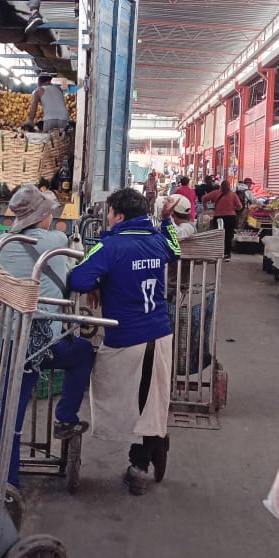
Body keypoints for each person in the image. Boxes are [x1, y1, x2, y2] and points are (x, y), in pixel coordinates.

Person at [68, 187, 180, 495]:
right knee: (148, 401)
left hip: (125, 337)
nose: (106, 218)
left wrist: (100, 282)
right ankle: (149, 450)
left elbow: (77, 279)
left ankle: (139, 465)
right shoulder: (157, 240)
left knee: (119, 395)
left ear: (118, 215)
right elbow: (176, 251)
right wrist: (167, 221)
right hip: (159, 333)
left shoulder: (111, 247)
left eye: (109, 213)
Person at [0, 185, 95, 488]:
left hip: (4, 340)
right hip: (41, 345)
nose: (52, 216)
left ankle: (6, 482)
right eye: (49, 212)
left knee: (9, 418)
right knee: (83, 351)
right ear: (41, 216)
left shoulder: (3, 243)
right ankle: (65, 416)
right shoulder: (56, 241)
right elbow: (76, 270)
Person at [202, 180, 242, 259]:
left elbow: (204, 198)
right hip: (231, 217)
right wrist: (233, 208)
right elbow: (239, 206)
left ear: (221, 186)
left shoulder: (216, 193)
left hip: (218, 217)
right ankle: (227, 254)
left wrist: (205, 206)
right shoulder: (233, 195)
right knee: (228, 236)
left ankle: (218, 253)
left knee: (218, 235)